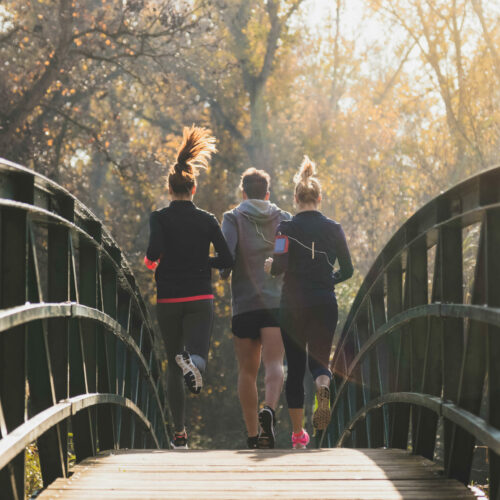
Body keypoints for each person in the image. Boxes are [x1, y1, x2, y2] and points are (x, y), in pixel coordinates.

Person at [145, 125, 233, 449]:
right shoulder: (208, 219)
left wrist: (156, 260)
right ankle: (193, 364)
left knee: (172, 363)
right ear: (194, 188)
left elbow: (153, 254)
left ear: (170, 189)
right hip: (199, 295)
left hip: (168, 296)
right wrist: (203, 262)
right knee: (197, 352)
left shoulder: (159, 218)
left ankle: (179, 433)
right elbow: (227, 258)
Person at [265, 156, 353, 449]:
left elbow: (278, 267)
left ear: (295, 198)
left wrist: (270, 267)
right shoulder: (335, 228)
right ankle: (323, 391)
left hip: (292, 305)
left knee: (295, 368)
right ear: (319, 198)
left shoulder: (285, 229)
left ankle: (298, 436)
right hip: (324, 302)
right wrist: (328, 281)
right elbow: (349, 270)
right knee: (319, 362)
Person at [221, 168, 291, 449]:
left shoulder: (232, 218)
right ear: (267, 193)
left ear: (243, 193)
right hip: (276, 303)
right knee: (274, 363)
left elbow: (226, 263)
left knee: (247, 372)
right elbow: (289, 260)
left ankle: (253, 435)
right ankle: (269, 410)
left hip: (245, 305)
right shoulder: (285, 219)